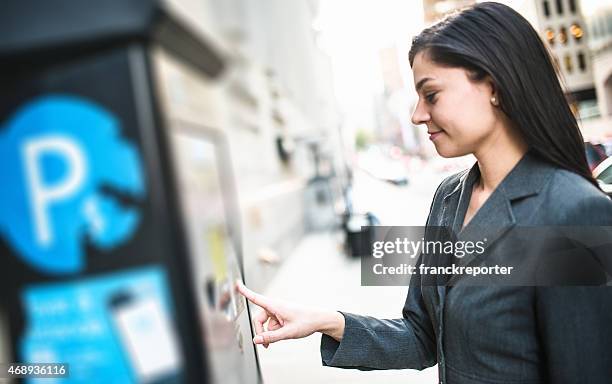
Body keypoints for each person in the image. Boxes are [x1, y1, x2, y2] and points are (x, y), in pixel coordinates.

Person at [236, 2, 612, 383]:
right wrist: (327, 321)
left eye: (431, 95)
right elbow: (422, 335)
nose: (417, 114)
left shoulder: (573, 212)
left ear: (494, 87)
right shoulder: (449, 197)